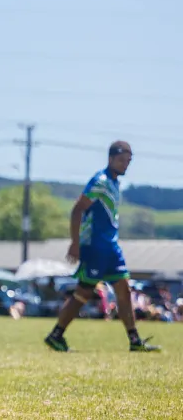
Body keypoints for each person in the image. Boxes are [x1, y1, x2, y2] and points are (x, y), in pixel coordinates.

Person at [45, 141, 160, 352]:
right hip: (95, 247)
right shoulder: (101, 181)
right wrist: (75, 243)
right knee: (83, 293)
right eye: (121, 160)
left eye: (128, 161)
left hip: (111, 247)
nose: (125, 164)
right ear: (110, 158)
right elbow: (77, 210)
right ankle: (56, 335)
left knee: (124, 290)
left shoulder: (115, 183)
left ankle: (134, 340)